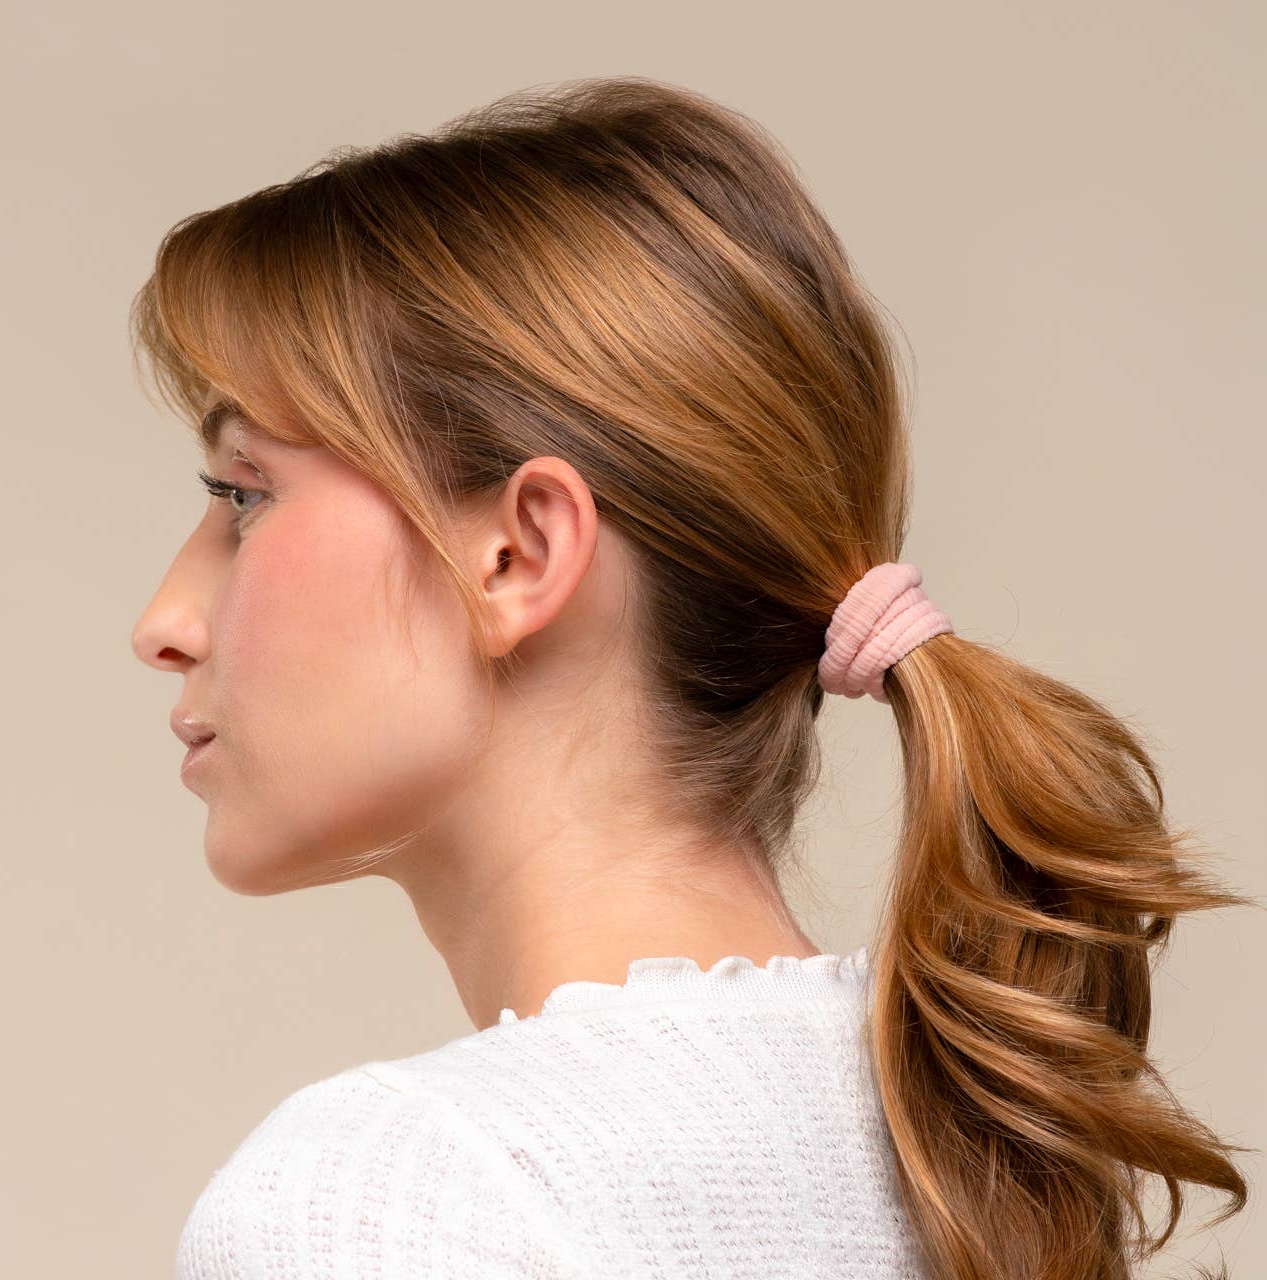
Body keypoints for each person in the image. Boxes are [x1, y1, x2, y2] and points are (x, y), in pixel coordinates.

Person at [129, 75, 1252, 1280]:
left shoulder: (381, 1203)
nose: (161, 624)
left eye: (242, 495)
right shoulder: (981, 1156)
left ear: (517, 554)